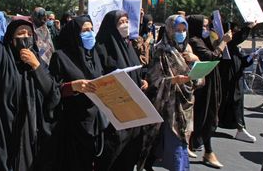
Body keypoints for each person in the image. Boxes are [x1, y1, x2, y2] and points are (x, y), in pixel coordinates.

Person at [0, 0, 61, 171]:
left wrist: (36, 66)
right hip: (1, 129)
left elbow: (52, 93)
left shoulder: (37, 62)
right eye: (21, 33)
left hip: (27, 132)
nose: (26, 37)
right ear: (11, 38)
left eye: (29, 34)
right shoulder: (0, 55)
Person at [46, 15, 108, 171]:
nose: (90, 33)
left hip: (95, 122)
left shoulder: (93, 55)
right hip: (72, 125)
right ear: (75, 34)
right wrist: (72, 87)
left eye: (91, 29)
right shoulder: (61, 57)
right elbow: (50, 90)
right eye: (85, 30)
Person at [140, 15, 201, 171]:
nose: (181, 33)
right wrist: (173, 81)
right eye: (177, 30)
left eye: (183, 30)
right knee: (176, 148)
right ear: (169, 30)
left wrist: (196, 60)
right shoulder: (160, 51)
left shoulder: (187, 50)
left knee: (174, 143)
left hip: (185, 105)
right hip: (168, 107)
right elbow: (153, 80)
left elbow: (199, 80)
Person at [94, 10, 148, 171]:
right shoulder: (101, 48)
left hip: (133, 110)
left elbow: (135, 70)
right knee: (112, 155)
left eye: (126, 21)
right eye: (120, 22)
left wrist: (142, 81)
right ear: (111, 26)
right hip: (114, 113)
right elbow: (100, 77)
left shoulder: (128, 46)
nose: (125, 25)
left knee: (129, 154)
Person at [187, 15, 232, 168]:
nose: (207, 29)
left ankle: (199, 148)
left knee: (207, 116)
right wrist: (224, 42)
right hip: (202, 86)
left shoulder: (204, 39)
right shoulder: (194, 40)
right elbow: (210, 56)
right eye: (204, 26)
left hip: (211, 82)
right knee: (204, 116)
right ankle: (207, 150)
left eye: (208, 26)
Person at [218, 21, 257, 142]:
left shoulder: (233, 47)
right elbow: (238, 38)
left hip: (236, 80)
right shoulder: (225, 44)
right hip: (228, 82)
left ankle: (240, 128)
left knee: (236, 104)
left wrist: (251, 57)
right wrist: (248, 28)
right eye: (233, 31)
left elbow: (242, 62)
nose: (234, 33)